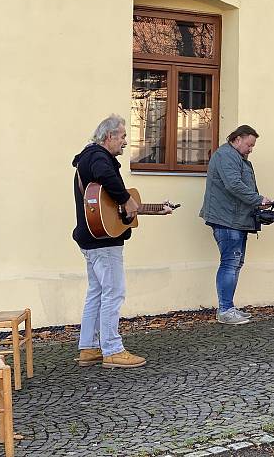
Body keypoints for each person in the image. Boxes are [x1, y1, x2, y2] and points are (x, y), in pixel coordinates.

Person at [73, 114, 172, 369]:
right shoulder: (98, 157)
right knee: (114, 292)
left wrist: (150, 208)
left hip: (92, 238)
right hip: (103, 242)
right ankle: (113, 349)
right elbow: (106, 175)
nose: (126, 142)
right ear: (109, 136)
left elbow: (112, 206)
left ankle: (89, 347)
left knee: (96, 292)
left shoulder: (88, 156)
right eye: (123, 136)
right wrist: (126, 200)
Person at [200, 125, 270, 325]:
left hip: (236, 219)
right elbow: (234, 185)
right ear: (237, 139)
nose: (251, 149)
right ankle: (225, 310)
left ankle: (229, 306)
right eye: (249, 144)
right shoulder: (226, 156)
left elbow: (241, 186)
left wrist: (259, 203)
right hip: (226, 219)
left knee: (235, 263)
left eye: (252, 146)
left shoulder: (238, 158)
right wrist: (258, 199)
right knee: (230, 262)